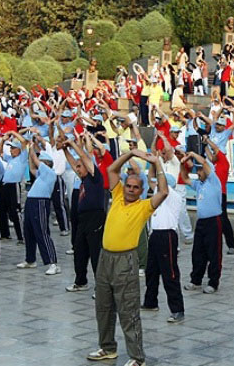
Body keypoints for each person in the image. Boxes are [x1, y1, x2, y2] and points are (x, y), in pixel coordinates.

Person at [86, 150, 167, 366]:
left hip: (125, 261)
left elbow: (163, 192)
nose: (130, 189)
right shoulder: (118, 195)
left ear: (141, 191)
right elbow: (112, 169)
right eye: (128, 186)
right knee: (103, 306)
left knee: (128, 310)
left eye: (135, 187)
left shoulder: (143, 207)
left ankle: (137, 357)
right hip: (105, 259)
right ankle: (107, 347)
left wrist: (156, 163)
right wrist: (130, 153)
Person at [63, 136, 106, 293]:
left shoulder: (95, 178)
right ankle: (81, 281)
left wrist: (73, 144)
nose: (78, 169)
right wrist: (64, 149)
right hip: (82, 219)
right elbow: (73, 163)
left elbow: (82, 157)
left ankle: (100, 287)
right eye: (78, 167)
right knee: (79, 251)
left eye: (81, 166)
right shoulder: (82, 180)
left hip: (95, 218)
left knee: (95, 253)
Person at [142, 173, 185, 323]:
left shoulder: (172, 195)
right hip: (155, 235)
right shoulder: (158, 193)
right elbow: (151, 181)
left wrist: (158, 166)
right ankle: (150, 302)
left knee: (170, 273)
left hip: (166, 235)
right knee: (151, 270)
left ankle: (177, 309)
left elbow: (161, 185)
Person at [180, 151, 224, 293]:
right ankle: (196, 280)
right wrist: (182, 165)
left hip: (213, 222)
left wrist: (192, 154)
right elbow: (185, 178)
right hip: (201, 223)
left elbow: (205, 163)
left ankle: (213, 282)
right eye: (197, 169)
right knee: (197, 252)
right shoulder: (199, 184)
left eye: (200, 170)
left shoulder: (214, 181)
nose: (198, 172)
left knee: (214, 253)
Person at [16, 143, 60, 275]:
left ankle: (52, 263)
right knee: (28, 231)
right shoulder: (42, 174)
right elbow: (32, 165)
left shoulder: (50, 172)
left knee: (41, 232)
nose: (38, 162)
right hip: (31, 202)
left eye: (41, 161)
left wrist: (31, 147)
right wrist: (30, 153)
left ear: (46, 163)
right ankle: (30, 260)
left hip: (40, 202)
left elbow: (35, 161)